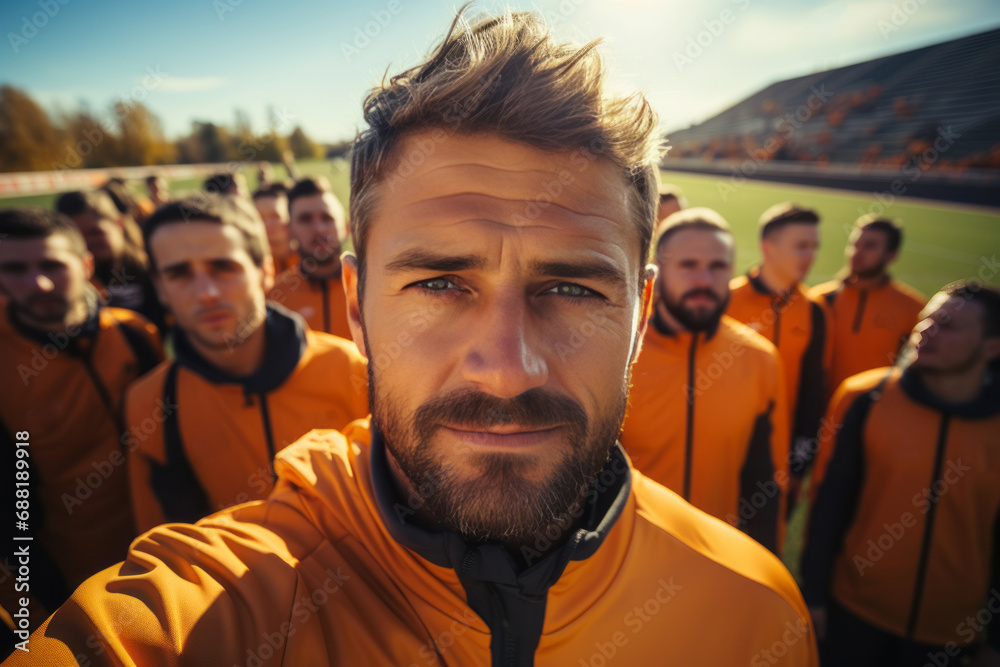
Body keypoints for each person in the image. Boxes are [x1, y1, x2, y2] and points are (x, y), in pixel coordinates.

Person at [8, 11, 817, 665]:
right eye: (438, 284)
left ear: (641, 314)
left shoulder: (753, 613)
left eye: (571, 287)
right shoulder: (222, 607)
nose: (506, 369)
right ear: (357, 306)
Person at [125, 194, 369, 532]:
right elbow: (162, 543)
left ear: (266, 269)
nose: (206, 292)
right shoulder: (149, 404)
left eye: (223, 267)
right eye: (180, 274)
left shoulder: (351, 369)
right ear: (160, 289)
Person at [802, 281, 1000, 667]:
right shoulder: (866, 397)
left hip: (951, 634)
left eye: (949, 326)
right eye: (928, 319)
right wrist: (814, 597)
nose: (926, 330)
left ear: (992, 347)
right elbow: (829, 503)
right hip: (852, 614)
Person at [0, 208, 162, 632]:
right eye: (14, 269)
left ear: (86, 264)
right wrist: (36, 611)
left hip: (162, 568)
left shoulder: (136, 335)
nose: (38, 283)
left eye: (52, 264)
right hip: (63, 591)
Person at [621, 208, 790, 554]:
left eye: (717, 267)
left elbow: (764, 481)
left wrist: (763, 566)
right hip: (623, 563)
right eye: (688, 265)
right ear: (657, 271)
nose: (704, 281)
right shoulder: (618, 354)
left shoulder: (760, 359)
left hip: (719, 561)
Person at [727, 202, 828, 494]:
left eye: (814, 247)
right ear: (769, 248)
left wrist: (799, 464)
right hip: (727, 447)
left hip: (779, 460)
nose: (811, 256)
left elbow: (812, 390)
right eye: (801, 246)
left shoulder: (814, 311)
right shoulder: (727, 300)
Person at [810, 214, 925, 395]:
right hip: (818, 410)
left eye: (869, 246)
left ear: (891, 255)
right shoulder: (819, 298)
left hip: (872, 411)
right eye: (854, 244)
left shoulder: (913, 308)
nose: (857, 252)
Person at [54, 189, 167, 331]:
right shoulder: (68, 280)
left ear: (118, 223)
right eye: (78, 236)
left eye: (95, 232)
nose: (87, 242)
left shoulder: (150, 268)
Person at [267, 177, 352, 339]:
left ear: (346, 227)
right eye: (305, 219)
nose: (318, 229)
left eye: (327, 218)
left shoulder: (374, 290)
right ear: (288, 230)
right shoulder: (273, 300)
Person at [252, 183, 296, 273]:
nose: (266, 224)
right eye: (259, 217)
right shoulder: (252, 265)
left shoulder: (308, 259)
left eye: (275, 216)